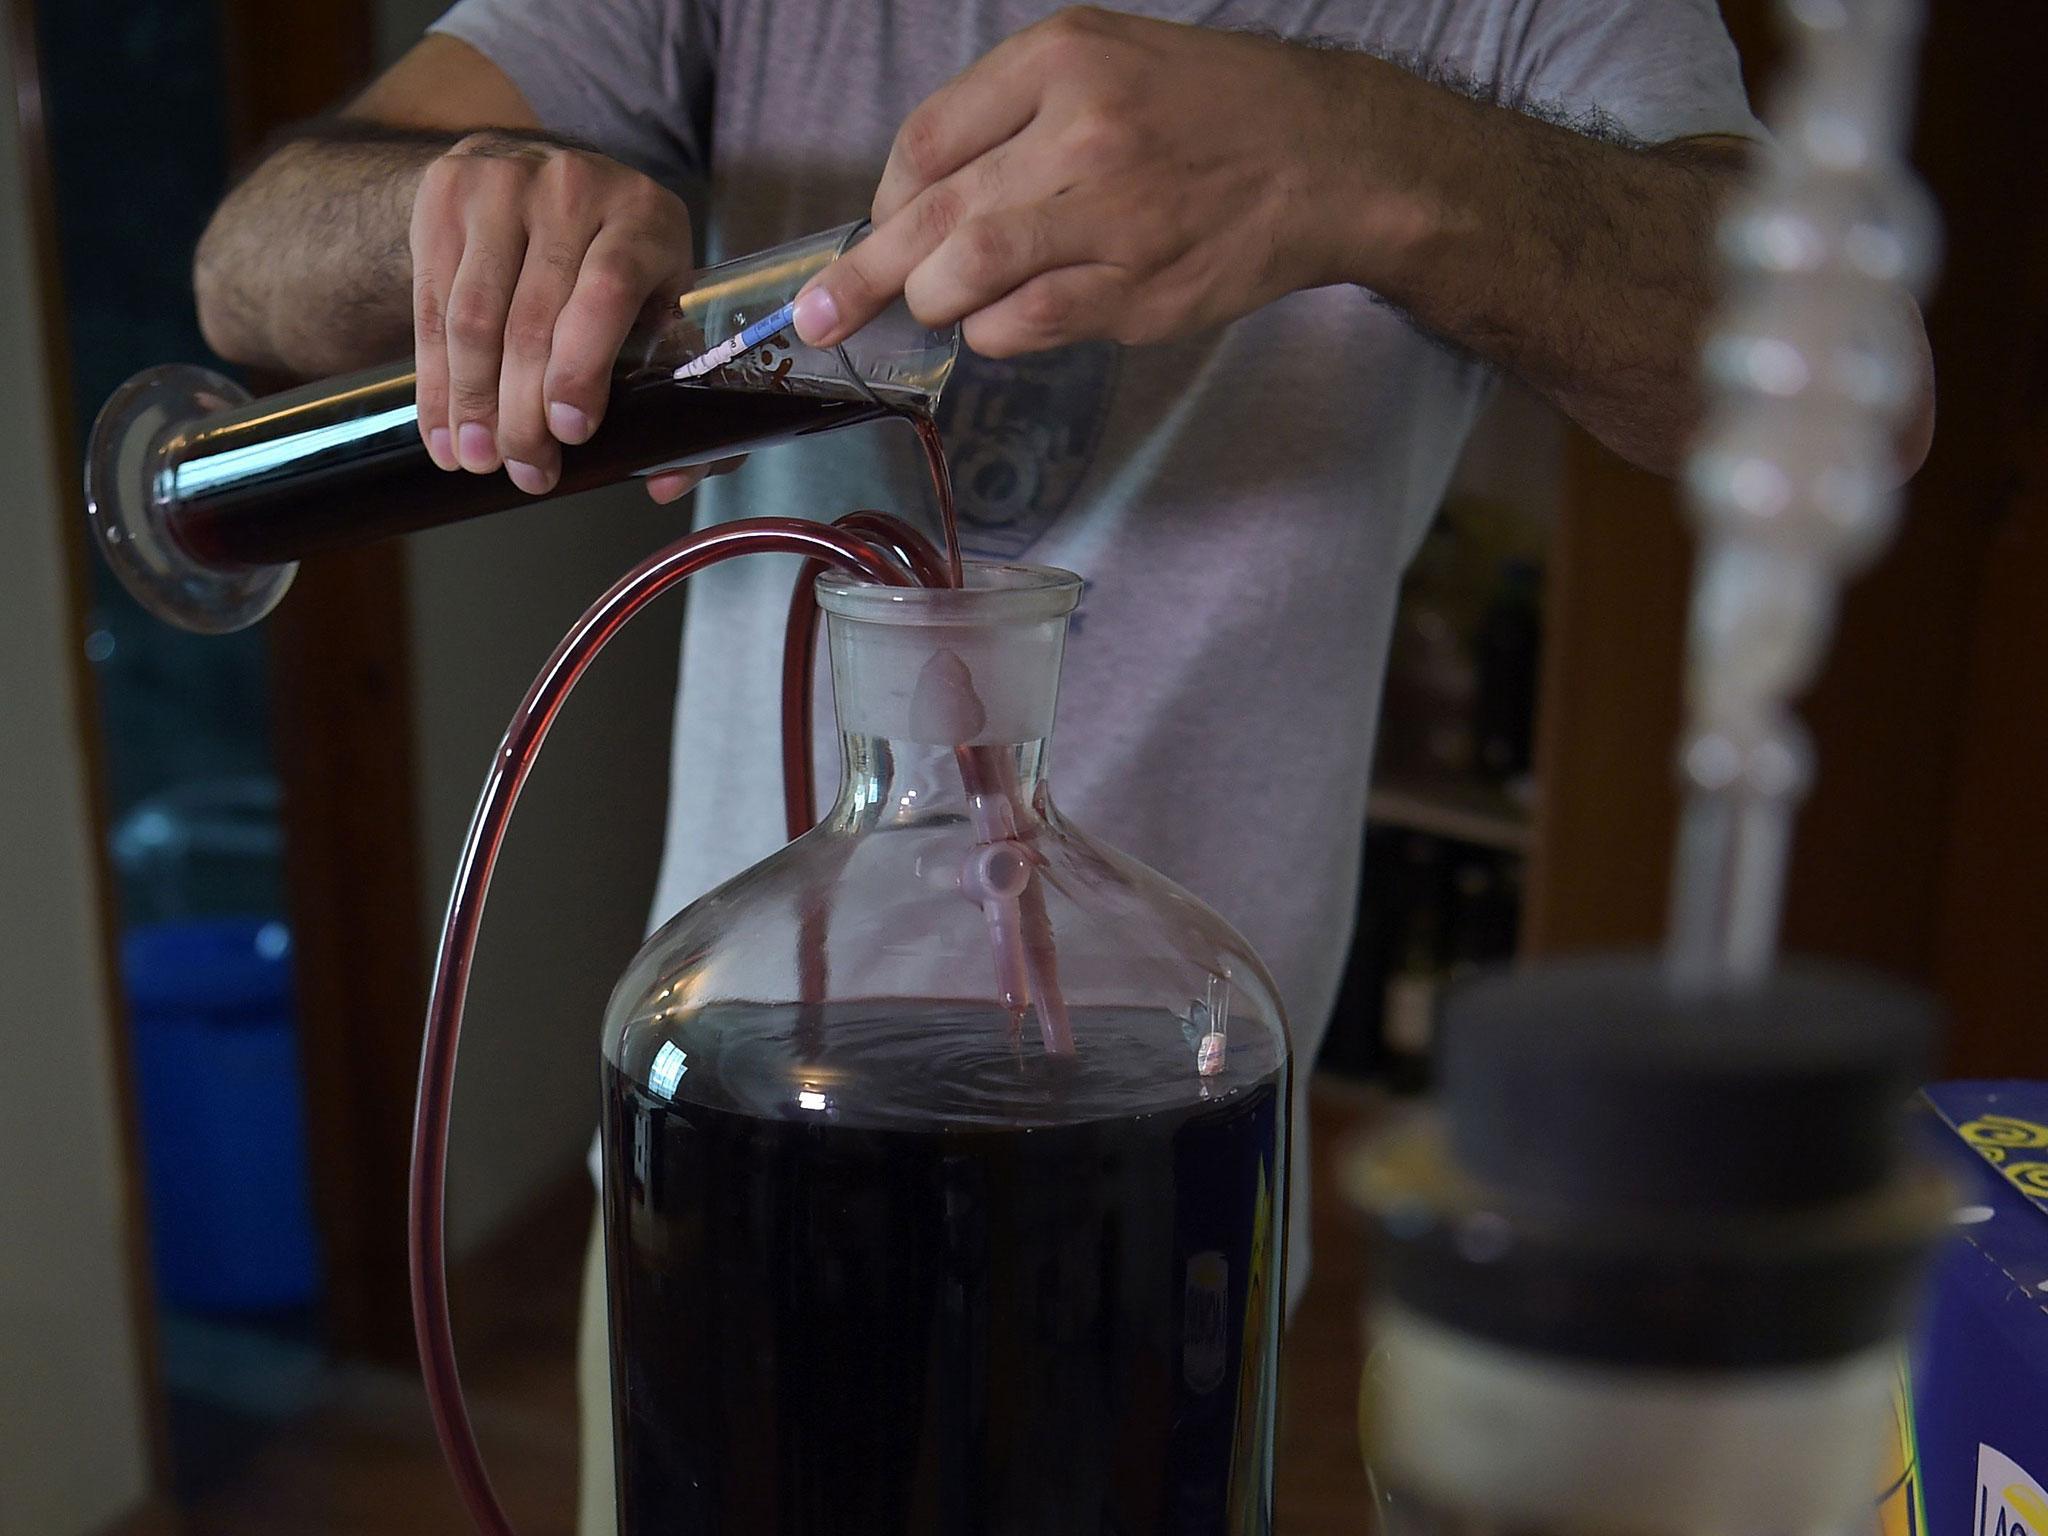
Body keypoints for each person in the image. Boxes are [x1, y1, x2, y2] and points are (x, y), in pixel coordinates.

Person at [193, 3, 1932, 1529]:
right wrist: (460, 208)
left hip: (1157, 1204)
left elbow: (1858, 386)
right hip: (713, 1191)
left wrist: (1365, 152)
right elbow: (248, 268)